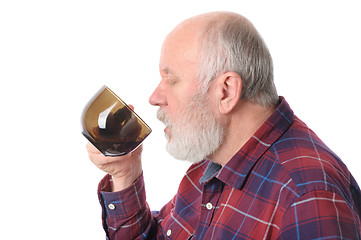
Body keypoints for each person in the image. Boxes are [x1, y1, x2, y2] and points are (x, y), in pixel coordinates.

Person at [86, 11, 361, 239]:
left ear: (226, 91)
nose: (155, 97)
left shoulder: (307, 197)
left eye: (171, 80)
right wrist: (125, 174)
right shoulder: (212, 164)